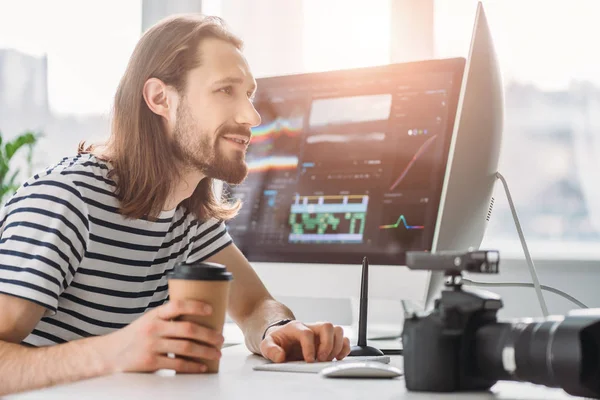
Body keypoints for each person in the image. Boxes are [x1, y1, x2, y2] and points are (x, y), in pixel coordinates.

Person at [0, 14, 351, 395]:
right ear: (160, 99)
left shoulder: (187, 213)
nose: (252, 115)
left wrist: (277, 330)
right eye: (225, 91)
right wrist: (114, 352)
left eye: (248, 94)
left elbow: (253, 305)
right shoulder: (67, 202)